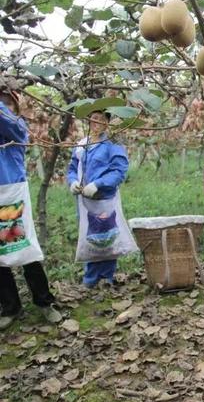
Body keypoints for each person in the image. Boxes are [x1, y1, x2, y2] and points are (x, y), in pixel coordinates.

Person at [0, 89, 62, 329]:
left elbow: (10, 124)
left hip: (10, 196)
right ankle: (10, 307)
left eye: (7, 103)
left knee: (23, 247)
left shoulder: (16, 128)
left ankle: (44, 302)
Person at [67, 110, 129, 288]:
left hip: (105, 200)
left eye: (101, 119)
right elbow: (72, 168)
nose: (96, 123)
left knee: (107, 239)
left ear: (107, 123)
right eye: (92, 119)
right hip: (85, 203)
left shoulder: (112, 144)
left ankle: (106, 278)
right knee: (91, 237)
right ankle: (91, 279)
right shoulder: (81, 145)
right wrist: (72, 182)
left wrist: (98, 184)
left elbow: (119, 171)